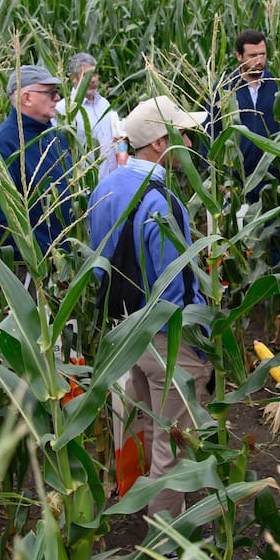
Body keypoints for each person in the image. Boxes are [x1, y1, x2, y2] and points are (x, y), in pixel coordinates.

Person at [87, 94, 214, 519]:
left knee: (146, 425)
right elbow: (174, 286)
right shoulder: (162, 200)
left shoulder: (104, 188)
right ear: (160, 143)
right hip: (164, 338)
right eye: (183, 134)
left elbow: (97, 264)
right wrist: (197, 344)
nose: (191, 144)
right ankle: (169, 540)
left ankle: (142, 507)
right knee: (172, 442)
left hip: (126, 333)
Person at [0, 64, 74, 256]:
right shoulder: (1, 144)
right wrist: (36, 258)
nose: (58, 98)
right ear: (27, 98)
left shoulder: (55, 134)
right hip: (37, 266)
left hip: (67, 257)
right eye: (50, 93)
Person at [208, 29, 280, 204]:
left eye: (263, 54)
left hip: (273, 182)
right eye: (252, 55)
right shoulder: (224, 89)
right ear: (239, 56)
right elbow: (209, 135)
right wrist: (220, 182)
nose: (259, 61)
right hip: (235, 183)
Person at [54, 52, 128, 181]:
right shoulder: (63, 110)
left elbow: (116, 138)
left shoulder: (104, 104)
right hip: (87, 186)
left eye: (95, 74)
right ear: (73, 78)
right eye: (87, 75)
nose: (93, 79)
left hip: (114, 181)